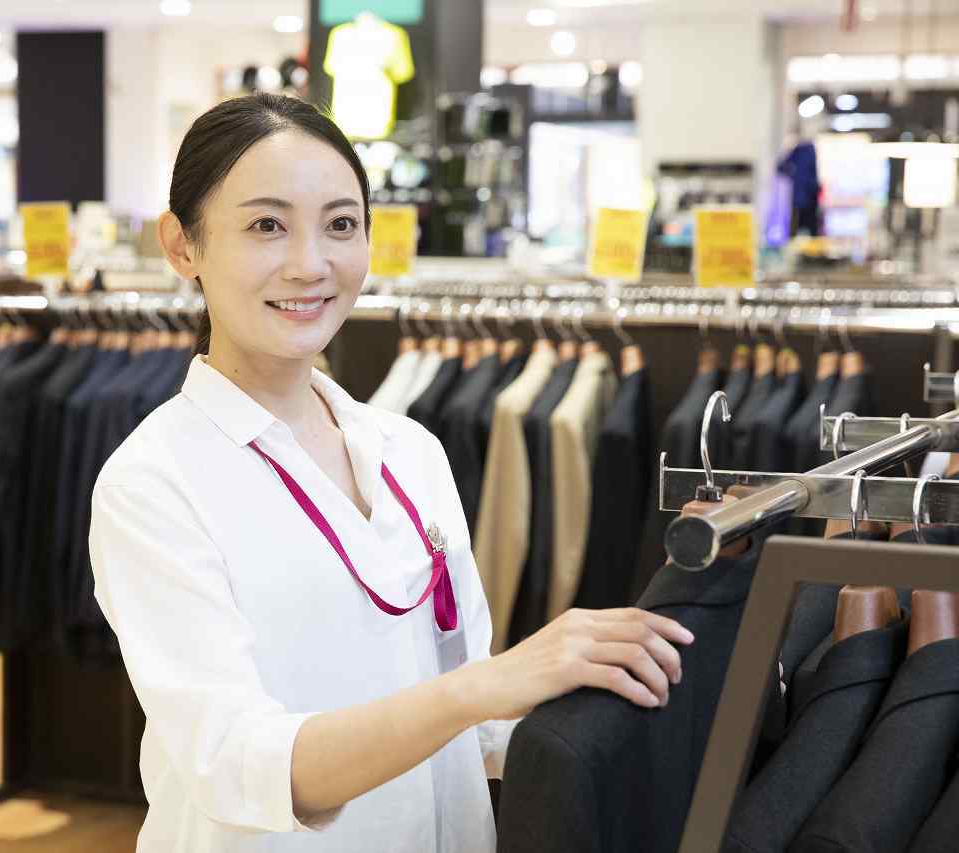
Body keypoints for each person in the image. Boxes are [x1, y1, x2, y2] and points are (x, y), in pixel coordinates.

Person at [88, 92, 694, 853]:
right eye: (267, 225)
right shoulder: (152, 483)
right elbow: (239, 763)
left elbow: (475, 729)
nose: (311, 264)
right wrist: (482, 688)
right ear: (182, 246)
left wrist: (629, 700)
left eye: (341, 224)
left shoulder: (411, 451)